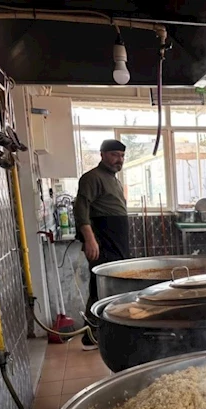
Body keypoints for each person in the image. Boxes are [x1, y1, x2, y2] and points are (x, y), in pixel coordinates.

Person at [74, 139, 129, 350]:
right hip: (102, 240)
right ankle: (91, 336)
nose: (119, 160)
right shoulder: (91, 178)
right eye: (115, 155)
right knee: (100, 288)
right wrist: (90, 239)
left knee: (116, 287)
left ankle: (111, 332)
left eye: (122, 156)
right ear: (102, 154)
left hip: (117, 240)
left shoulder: (114, 180)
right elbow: (81, 210)